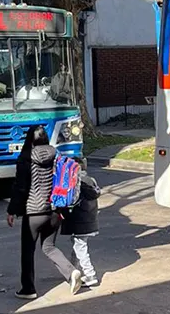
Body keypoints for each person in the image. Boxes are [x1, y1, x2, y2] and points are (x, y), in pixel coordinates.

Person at [7, 126, 84, 299]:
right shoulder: (56, 155)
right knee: (49, 247)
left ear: (29, 139)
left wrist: (12, 211)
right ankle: (71, 272)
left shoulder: (25, 159)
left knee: (28, 251)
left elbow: (20, 188)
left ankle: (28, 289)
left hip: (33, 213)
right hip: (55, 210)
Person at [60, 157, 101, 287]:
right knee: (78, 246)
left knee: (80, 248)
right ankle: (72, 270)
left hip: (78, 222)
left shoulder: (75, 183)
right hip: (90, 221)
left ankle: (90, 275)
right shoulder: (91, 180)